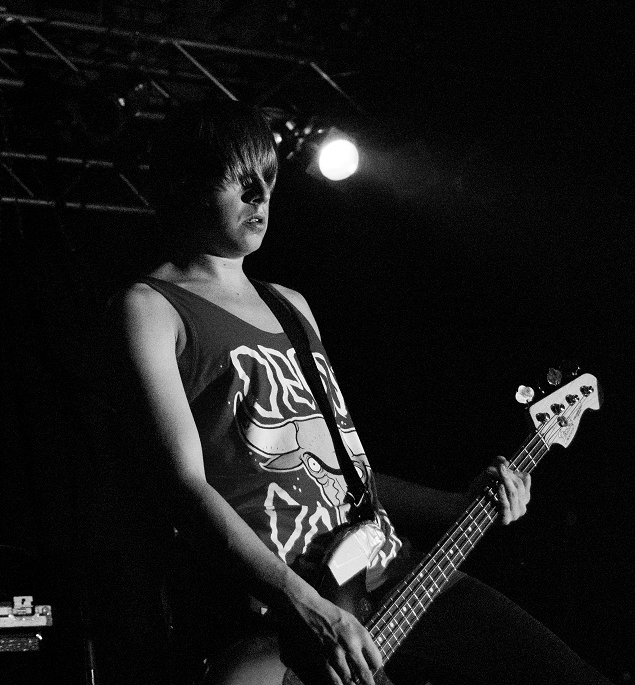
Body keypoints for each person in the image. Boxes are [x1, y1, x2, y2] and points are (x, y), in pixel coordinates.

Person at [92, 99, 611, 685]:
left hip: (392, 572)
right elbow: (183, 486)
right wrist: (304, 607)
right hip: (284, 616)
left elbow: (339, 469)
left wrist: (459, 504)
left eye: (268, 178)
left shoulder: (291, 306)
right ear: (184, 183)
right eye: (238, 178)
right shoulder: (149, 309)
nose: (260, 196)